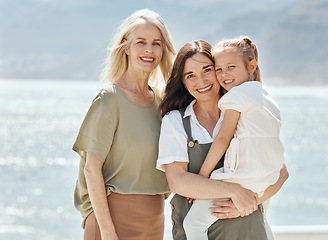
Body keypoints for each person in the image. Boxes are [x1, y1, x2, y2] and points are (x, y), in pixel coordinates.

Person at [157, 40, 288, 240]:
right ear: (182, 82)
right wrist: (234, 191)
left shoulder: (246, 112)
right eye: (190, 75)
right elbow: (178, 182)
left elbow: (280, 172)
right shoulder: (175, 121)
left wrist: (243, 204)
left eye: (207, 70)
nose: (200, 81)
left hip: (250, 231)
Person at [72, 9, 175, 240]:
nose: (149, 50)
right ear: (126, 47)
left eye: (156, 43)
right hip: (112, 219)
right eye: (141, 42)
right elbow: (91, 168)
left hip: (153, 220)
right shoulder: (110, 99)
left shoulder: (162, 103)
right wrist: (107, 231)